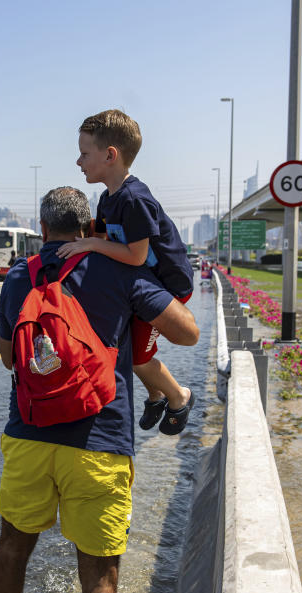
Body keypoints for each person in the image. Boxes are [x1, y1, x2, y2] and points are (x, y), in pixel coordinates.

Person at [0, 187, 199, 593]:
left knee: (11, 551)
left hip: (28, 434)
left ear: (42, 228)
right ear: (89, 229)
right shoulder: (119, 270)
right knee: (99, 579)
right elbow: (188, 334)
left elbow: (9, 358)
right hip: (99, 441)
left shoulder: (18, 277)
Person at [58, 109, 196, 433]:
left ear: (110, 155)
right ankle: (156, 395)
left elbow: (136, 256)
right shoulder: (108, 199)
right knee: (129, 346)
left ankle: (178, 397)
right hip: (144, 282)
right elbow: (106, 240)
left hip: (168, 287)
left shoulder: (135, 199)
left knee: (137, 357)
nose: (79, 162)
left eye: (83, 154)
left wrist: (89, 245)